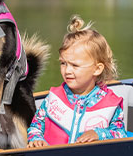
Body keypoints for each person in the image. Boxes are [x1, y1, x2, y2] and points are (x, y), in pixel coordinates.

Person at [27, 15, 127, 147]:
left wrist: (99, 134)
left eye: (75, 65)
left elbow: (120, 134)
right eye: (63, 63)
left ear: (97, 69)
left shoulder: (110, 105)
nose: (67, 70)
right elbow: (35, 126)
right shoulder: (54, 99)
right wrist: (36, 138)